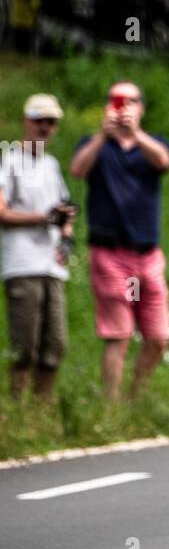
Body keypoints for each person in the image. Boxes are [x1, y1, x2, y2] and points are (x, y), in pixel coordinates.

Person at [70, 81, 169, 400]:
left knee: (158, 337)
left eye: (130, 101)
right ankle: (111, 409)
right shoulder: (95, 146)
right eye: (117, 101)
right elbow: (77, 170)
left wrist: (135, 134)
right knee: (119, 336)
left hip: (148, 255)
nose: (123, 107)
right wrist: (104, 134)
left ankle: (135, 397)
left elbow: (163, 162)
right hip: (110, 254)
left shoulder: (151, 145)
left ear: (141, 108)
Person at [0, 94, 76, 398]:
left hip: (52, 265)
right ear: (26, 121)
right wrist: (43, 218)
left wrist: (67, 235)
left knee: (55, 346)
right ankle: (16, 414)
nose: (45, 127)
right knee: (25, 347)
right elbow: (2, 213)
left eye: (51, 122)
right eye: (39, 120)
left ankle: (40, 416)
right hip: (22, 263)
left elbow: (64, 210)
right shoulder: (9, 159)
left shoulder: (51, 165)